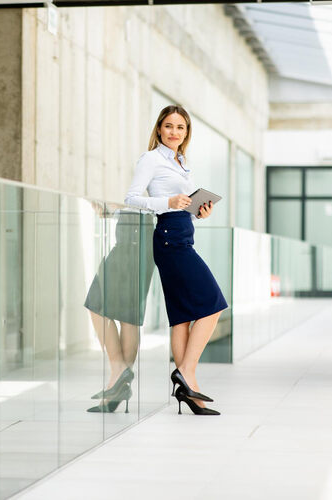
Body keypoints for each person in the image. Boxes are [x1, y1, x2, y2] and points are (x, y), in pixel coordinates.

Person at [124, 104, 229, 416]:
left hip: (183, 232)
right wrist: (167, 201)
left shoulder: (182, 162)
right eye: (169, 126)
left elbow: (183, 207)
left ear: (186, 133)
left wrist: (199, 213)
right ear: (159, 129)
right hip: (169, 238)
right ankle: (187, 372)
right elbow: (131, 197)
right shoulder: (151, 159)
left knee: (182, 315)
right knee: (214, 303)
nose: (174, 132)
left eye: (180, 127)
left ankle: (189, 392)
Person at [83, 204, 155, 413]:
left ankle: (118, 370)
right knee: (128, 315)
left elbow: (141, 200)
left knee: (96, 302)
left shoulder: (147, 171)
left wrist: (117, 208)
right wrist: (114, 211)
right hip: (140, 236)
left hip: (133, 237)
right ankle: (118, 387)